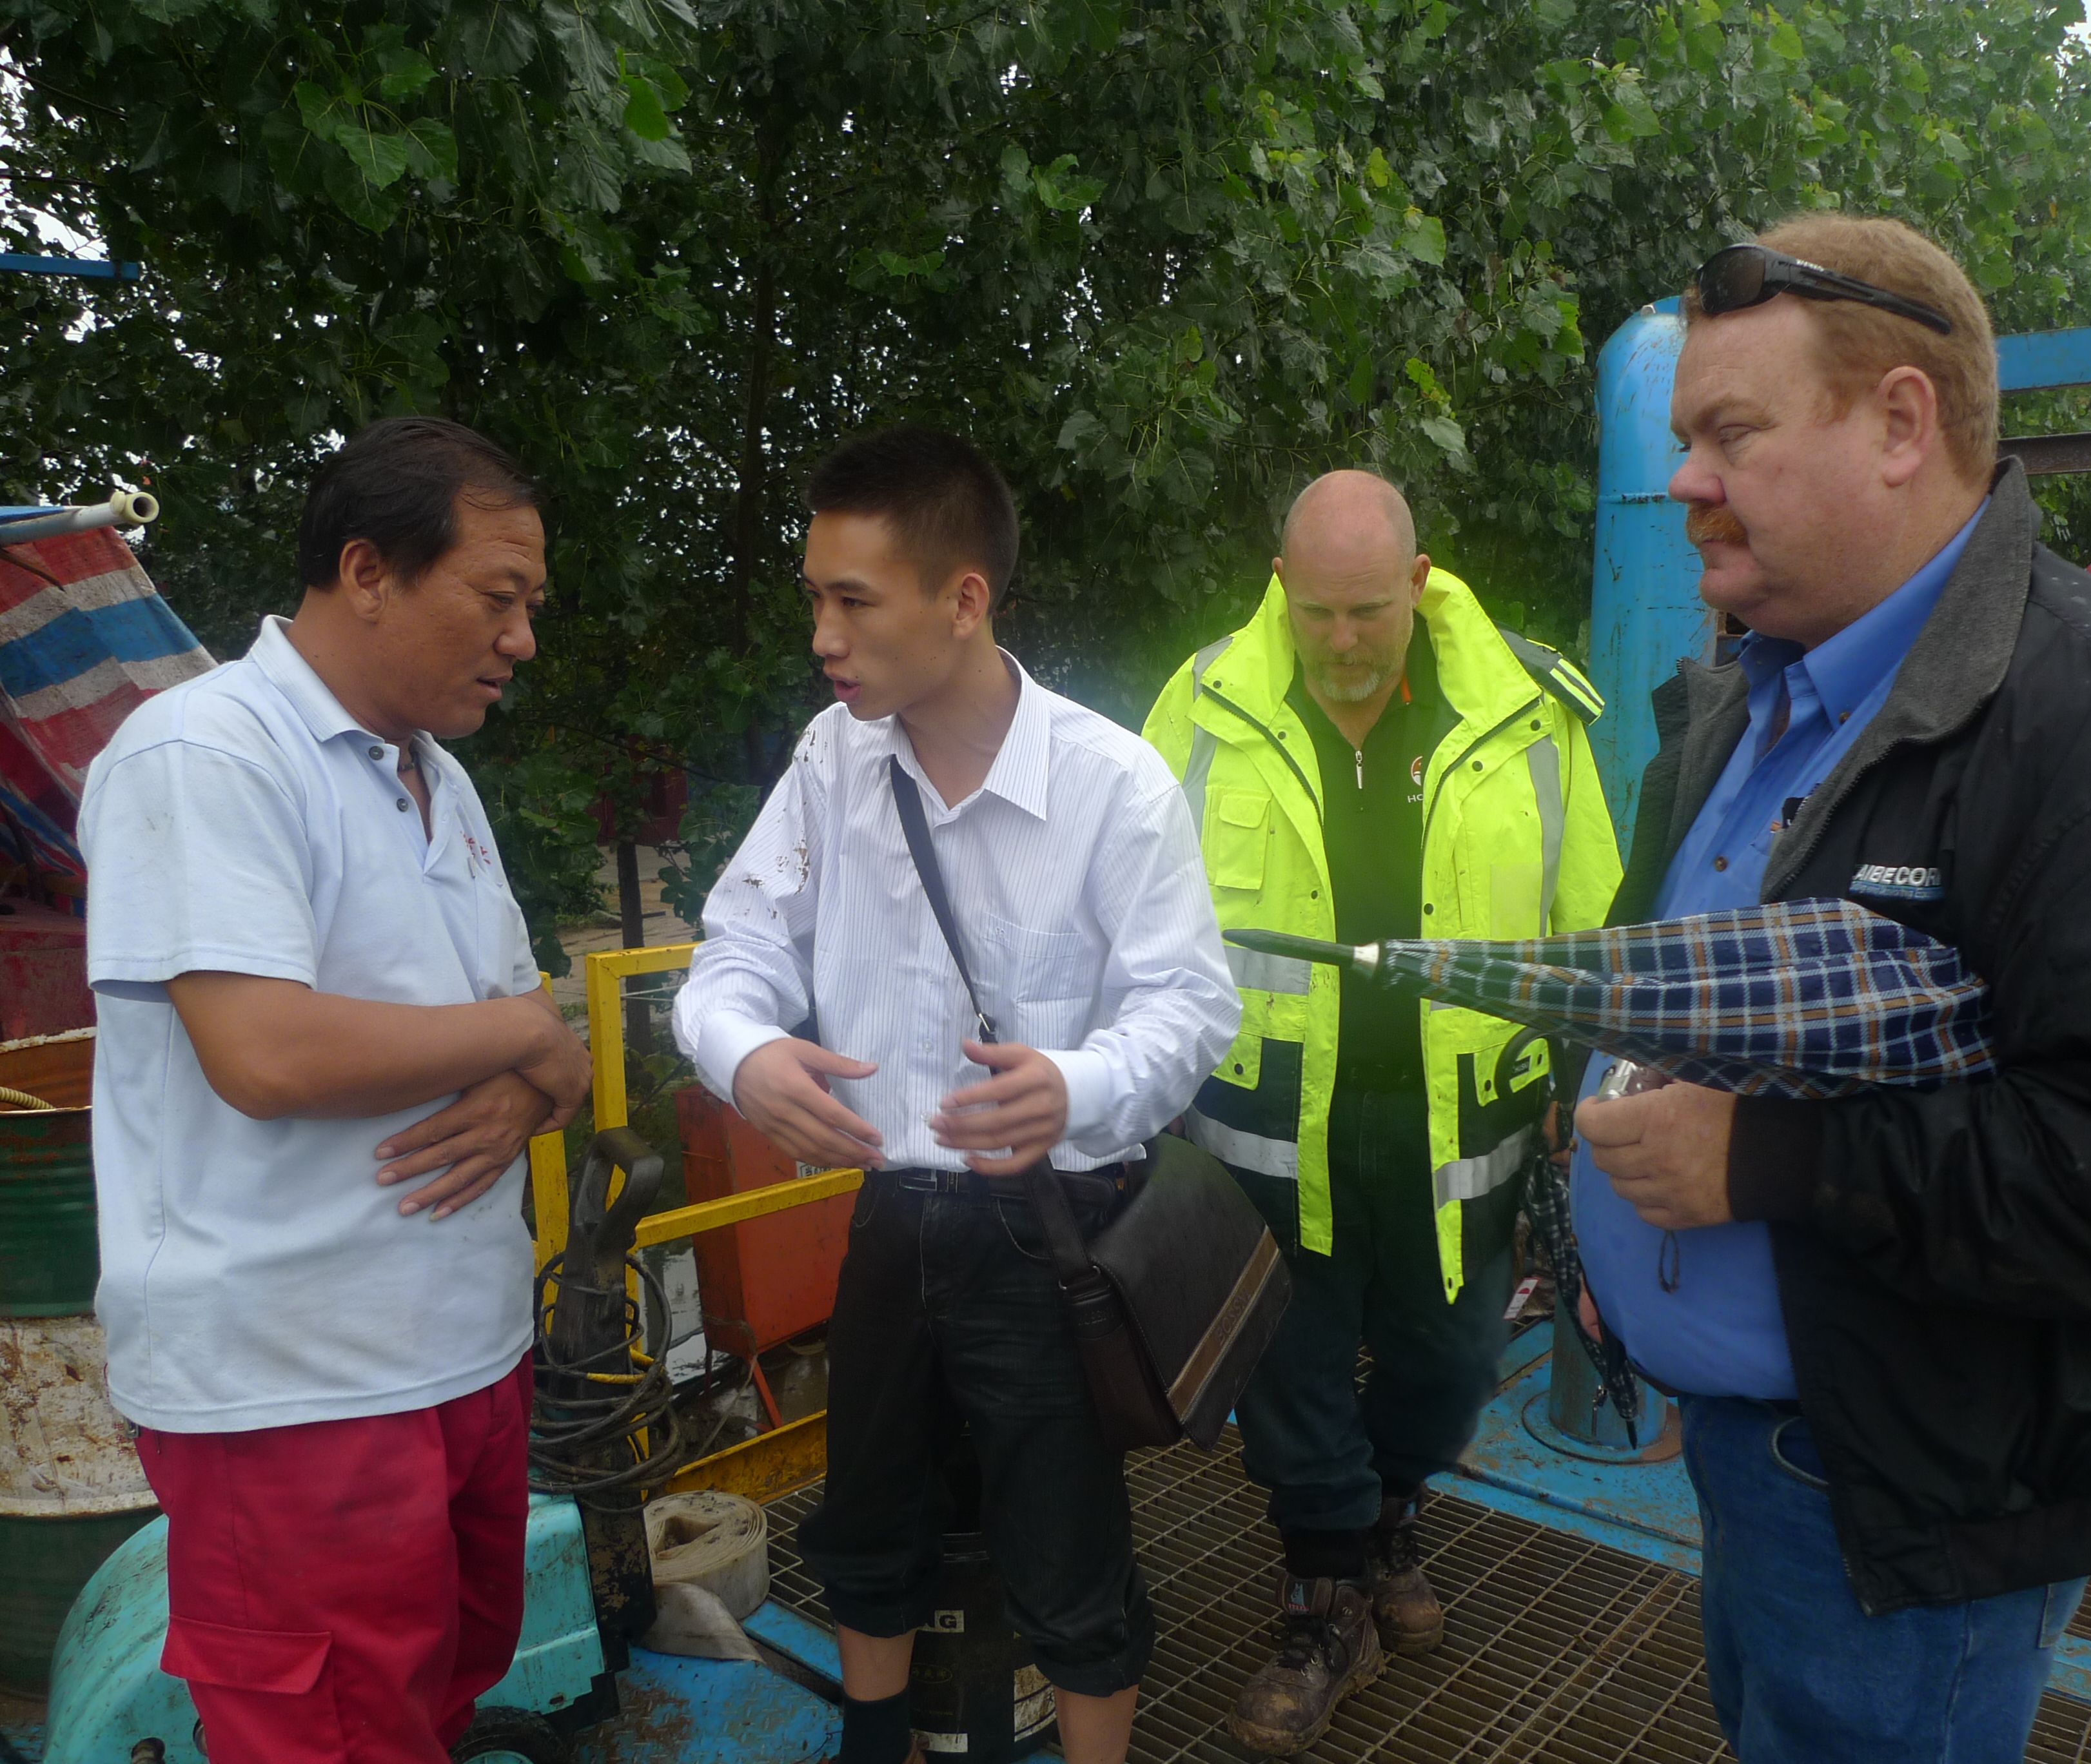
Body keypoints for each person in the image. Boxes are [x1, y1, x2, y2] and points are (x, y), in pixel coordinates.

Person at [1568, 213, 2091, 1764]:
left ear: (1900, 425)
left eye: (1730, 433)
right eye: (1683, 439)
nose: (1687, 480)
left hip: (1914, 1501)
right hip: (1755, 1453)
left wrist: (1772, 1162)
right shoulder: (1752, 688)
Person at [672, 426, 1239, 1764]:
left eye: (853, 600)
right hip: (891, 1218)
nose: (824, 635)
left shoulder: (1111, 784)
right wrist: (745, 1053)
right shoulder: (835, 761)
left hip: (1047, 1233)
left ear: (963, 598)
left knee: (1067, 1546)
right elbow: (736, 947)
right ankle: (878, 1744)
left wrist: (1076, 1084)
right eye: (815, 597)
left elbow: (1190, 1006)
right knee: (866, 1516)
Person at [79, 417, 591, 1763]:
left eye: (531, 606)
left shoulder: (440, 777)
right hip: (296, 1384)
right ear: (367, 570)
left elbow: (523, 1031)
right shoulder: (206, 753)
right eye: (498, 596)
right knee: (330, 1735)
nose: (522, 639)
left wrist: (531, 1072)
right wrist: (523, 1039)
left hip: (462, 1351)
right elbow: (267, 1053)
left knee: (442, 1695)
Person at [1142, 471, 1622, 1754]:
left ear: (1418, 582)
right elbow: (1135, 917)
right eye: (1317, 614)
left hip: (1462, 1118)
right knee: (1290, 1368)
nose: (1344, 642)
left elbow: (1589, 920)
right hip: (1264, 1119)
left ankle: (1390, 1515)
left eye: (1369, 611)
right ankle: (1324, 1596)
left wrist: (1583, 1079)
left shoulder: (1531, 709)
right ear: (1279, 588)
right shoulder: (1201, 704)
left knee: (1453, 1360)